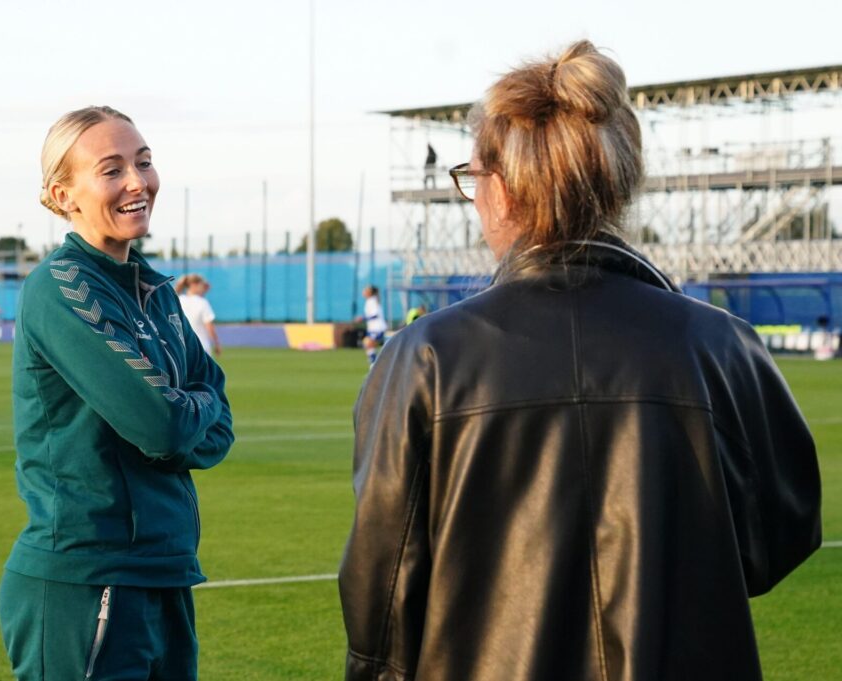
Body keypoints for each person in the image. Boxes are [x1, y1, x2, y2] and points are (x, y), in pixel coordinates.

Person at [339, 41, 821, 681]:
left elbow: (382, 604)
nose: (474, 200)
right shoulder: (722, 346)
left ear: (504, 190)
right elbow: (777, 543)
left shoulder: (424, 357)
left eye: (473, 179)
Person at [0, 105, 234, 681]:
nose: (137, 181)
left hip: (165, 570)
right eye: (111, 169)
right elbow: (164, 427)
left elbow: (218, 425)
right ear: (64, 194)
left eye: (144, 163)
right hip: (89, 578)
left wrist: (184, 416)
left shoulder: (155, 288)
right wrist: (184, 416)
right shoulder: (61, 287)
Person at [175, 273, 221, 357]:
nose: (203, 287)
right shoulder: (203, 303)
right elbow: (209, 326)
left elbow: (174, 292)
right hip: (201, 347)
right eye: (201, 285)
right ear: (194, 285)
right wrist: (216, 343)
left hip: (183, 347)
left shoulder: (179, 300)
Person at [360, 285, 387, 366]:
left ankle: (374, 365)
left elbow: (375, 314)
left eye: (365, 290)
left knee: (368, 344)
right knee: (370, 346)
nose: (363, 292)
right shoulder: (371, 300)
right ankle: (375, 364)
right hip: (373, 328)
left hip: (377, 328)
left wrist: (363, 318)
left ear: (369, 292)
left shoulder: (372, 301)